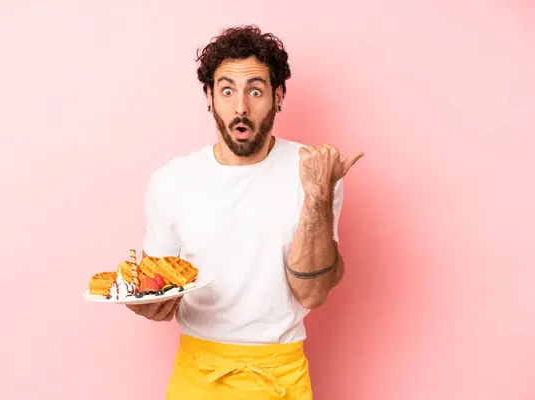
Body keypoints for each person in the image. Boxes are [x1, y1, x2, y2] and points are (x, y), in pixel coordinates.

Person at [126, 25, 363, 399]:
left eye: (255, 90)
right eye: (226, 90)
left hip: (279, 375)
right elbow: (159, 286)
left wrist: (317, 196)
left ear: (278, 95)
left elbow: (312, 293)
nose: (240, 107)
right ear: (209, 96)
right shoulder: (171, 181)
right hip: (197, 376)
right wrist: (148, 304)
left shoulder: (312, 171)